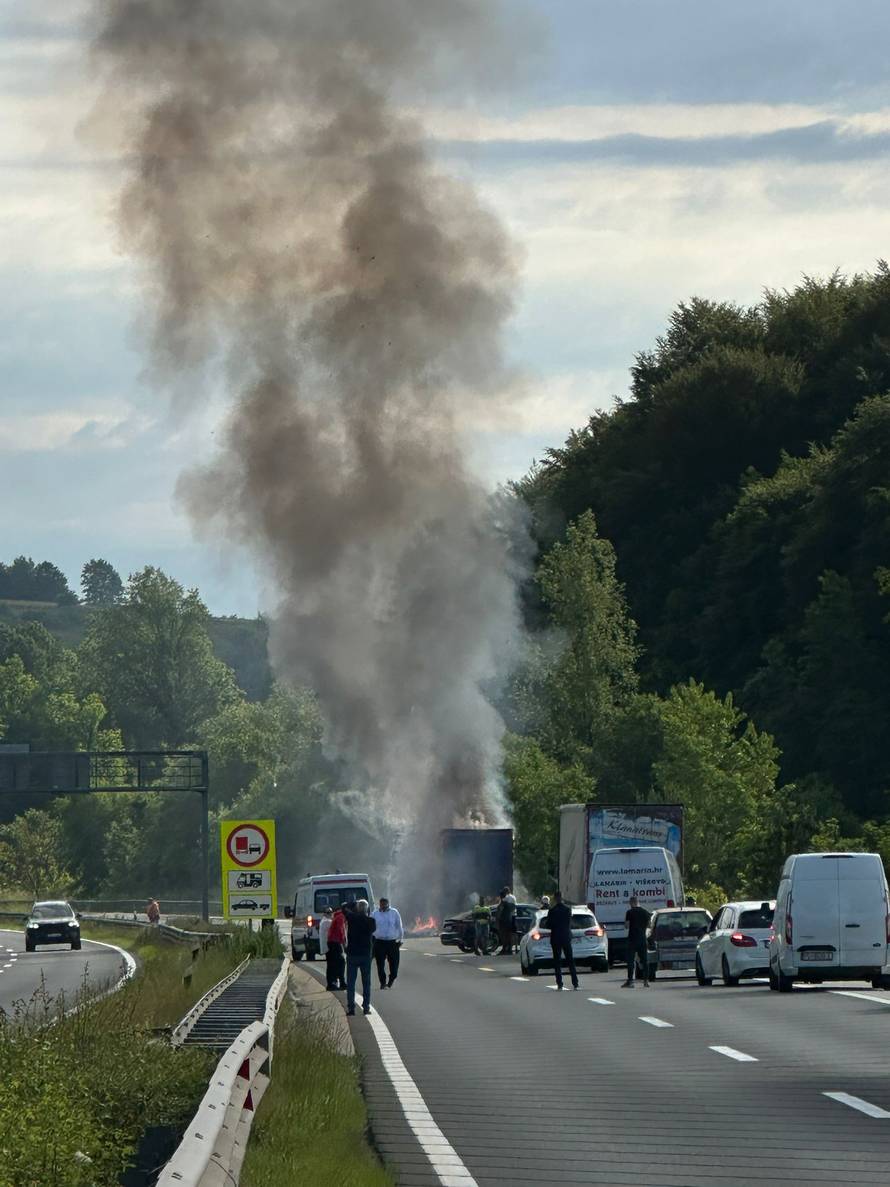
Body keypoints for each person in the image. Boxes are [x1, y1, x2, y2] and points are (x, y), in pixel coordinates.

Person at [342, 898, 376, 1015]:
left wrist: (354, 902)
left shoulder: (352, 918)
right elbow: (373, 931)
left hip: (352, 954)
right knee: (366, 982)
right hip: (365, 955)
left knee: (351, 983)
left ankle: (351, 1008)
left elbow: (343, 907)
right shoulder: (371, 921)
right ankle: (366, 1007)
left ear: (357, 908)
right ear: (367, 910)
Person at [545, 890, 579, 990]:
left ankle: (559, 983)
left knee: (557, 961)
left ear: (555, 898)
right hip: (565, 936)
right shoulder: (567, 909)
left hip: (555, 937)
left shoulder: (552, 911)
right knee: (570, 960)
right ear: (562, 897)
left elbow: (548, 925)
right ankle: (575, 983)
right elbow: (569, 922)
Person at [371, 897, 403, 989]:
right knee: (380, 964)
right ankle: (383, 982)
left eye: (385, 904)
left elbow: (399, 926)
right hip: (379, 942)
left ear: (388, 904)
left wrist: (401, 940)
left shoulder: (394, 912)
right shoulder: (375, 914)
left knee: (394, 963)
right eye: (382, 904)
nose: (383, 906)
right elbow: (370, 927)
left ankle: (392, 979)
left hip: (392, 942)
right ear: (379, 904)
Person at [622, 894, 651, 988]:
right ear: (638, 902)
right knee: (644, 960)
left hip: (632, 939)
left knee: (630, 960)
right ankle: (646, 981)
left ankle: (630, 981)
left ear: (631, 903)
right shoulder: (646, 913)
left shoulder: (629, 912)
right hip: (642, 939)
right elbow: (649, 925)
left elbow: (626, 925)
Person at [327, 904, 348, 991]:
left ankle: (336, 982)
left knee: (335, 963)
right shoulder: (341, 917)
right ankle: (338, 982)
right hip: (335, 942)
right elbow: (341, 930)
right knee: (340, 962)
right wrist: (344, 943)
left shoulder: (338, 915)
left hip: (333, 941)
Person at [496, 888, 516, 955]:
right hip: (510, 919)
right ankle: (508, 949)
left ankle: (505, 949)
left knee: (505, 934)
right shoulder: (512, 898)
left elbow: (500, 910)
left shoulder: (506, 900)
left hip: (505, 920)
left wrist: (498, 919)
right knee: (509, 934)